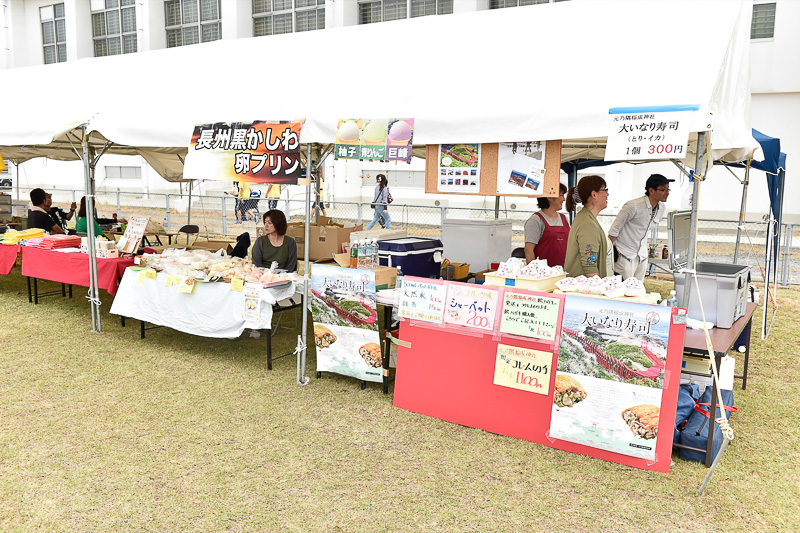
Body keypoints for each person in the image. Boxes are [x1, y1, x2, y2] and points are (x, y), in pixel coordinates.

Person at [608, 173, 673, 281]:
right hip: (624, 255)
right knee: (621, 291)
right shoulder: (633, 206)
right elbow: (614, 230)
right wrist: (608, 256)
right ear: (651, 190)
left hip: (642, 256)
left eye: (668, 190)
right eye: (663, 190)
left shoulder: (661, 207)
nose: (667, 193)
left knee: (637, 291)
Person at [564, 175, 612, 278]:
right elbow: (589, 263)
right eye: (605, 190)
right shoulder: (588, 223)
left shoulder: (586, 218)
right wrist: (597, 287)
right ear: (594, 194)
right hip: (584, 288)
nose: (607, 194)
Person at [524, 183, 569, 267]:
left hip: (563, 272)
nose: (563, 199)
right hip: (544, 274)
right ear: (550, 197)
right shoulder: (536, 220)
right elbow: (528, 249)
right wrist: (534, 271)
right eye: (561, 195)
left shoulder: (564, 219)